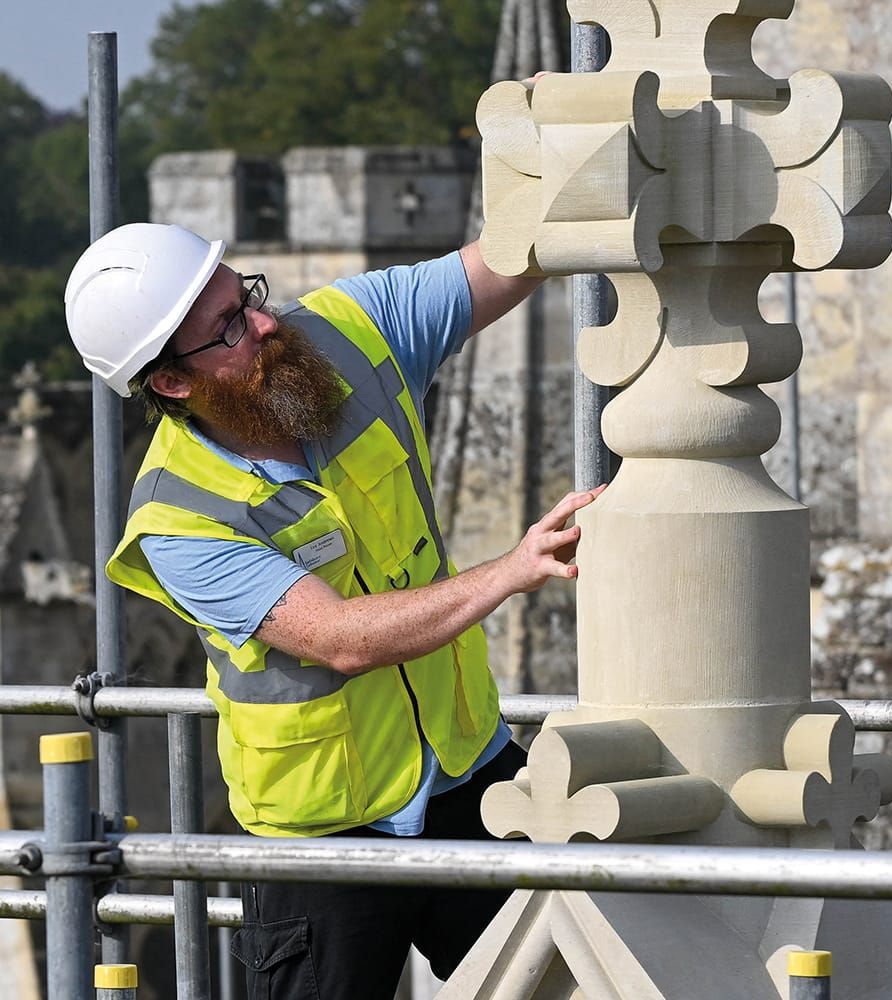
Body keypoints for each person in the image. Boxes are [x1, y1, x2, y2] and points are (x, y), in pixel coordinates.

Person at [64, 222, 602, 999]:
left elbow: (509, 260)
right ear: (174, 384)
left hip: (467, 773)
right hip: (321, 835)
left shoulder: (348, 328)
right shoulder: (178, 520)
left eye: (244, 295)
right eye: (228, 329)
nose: (265, 322)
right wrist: (513, 571)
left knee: (568, 987)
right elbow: (342, 640)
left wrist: (550, 143)